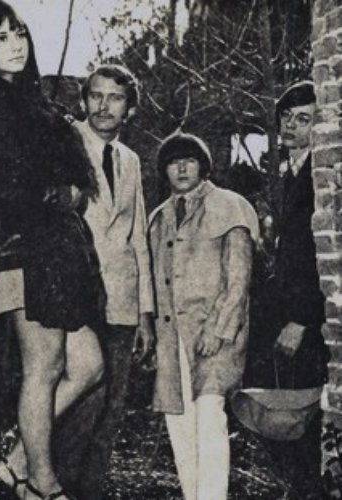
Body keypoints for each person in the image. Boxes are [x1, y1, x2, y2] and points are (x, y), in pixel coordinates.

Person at [0, 1, 106, 498]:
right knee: (44, 367)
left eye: (18, 32)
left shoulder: (29, 102)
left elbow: (62, 184)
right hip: (13, 254)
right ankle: (42, 483)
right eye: (0, 37)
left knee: (89, 366)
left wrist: (65, 188)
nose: (16, 44)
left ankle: (17, 462)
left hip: (48, 251)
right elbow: (9, 188)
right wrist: (60, 188)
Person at [56, 65, 155, 499]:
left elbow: (137, 238)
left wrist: (145, 313)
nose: (103, 105)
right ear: (84, 101)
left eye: (115, 98)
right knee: (80, 404)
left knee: (110, 411)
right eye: (96, 95)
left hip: (122, 303)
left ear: (128, 108)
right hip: (77, 299)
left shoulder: (130, 160)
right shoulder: (65, 144)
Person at [149, 133, 258, 500]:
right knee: (178, 420)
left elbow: (238, 278)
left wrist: (219, 329)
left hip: (215, 335)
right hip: (172, 338)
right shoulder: (159, 218)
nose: (181, 168)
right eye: (173, 162)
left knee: (209, 415)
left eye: (190, 160)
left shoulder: (230, 205)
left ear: (203, 166)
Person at [246, 81, 330, 498]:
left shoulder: (321, 176)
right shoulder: (291, 171)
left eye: (303, 119)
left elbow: (320, 254)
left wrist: (300, 319)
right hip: (285, 314)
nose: (291, 126)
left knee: (305, 416)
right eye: (286, 118)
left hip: (309, 320)